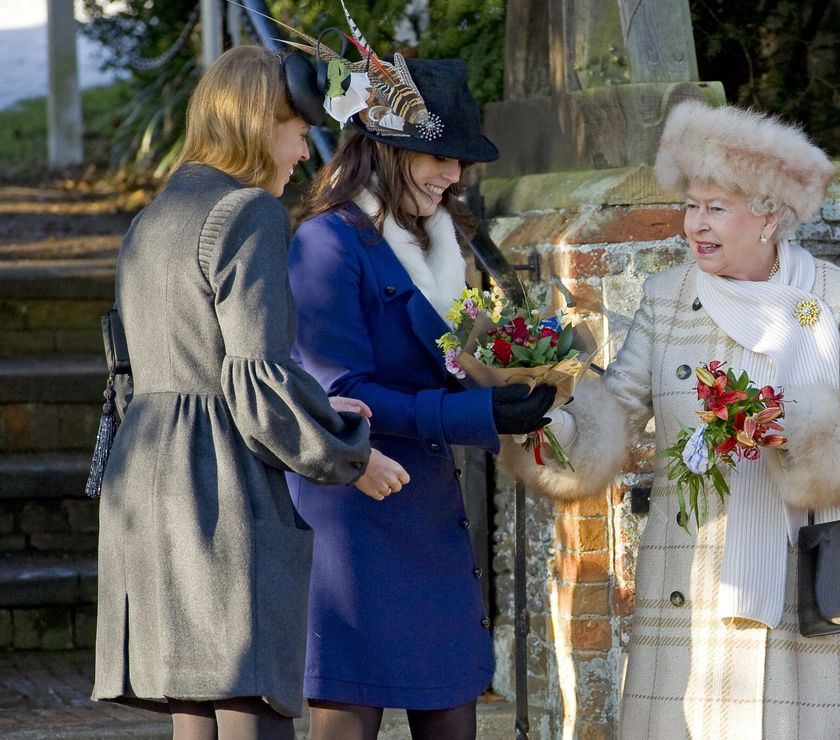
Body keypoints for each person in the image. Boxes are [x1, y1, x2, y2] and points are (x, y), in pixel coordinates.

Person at [505, 98, 840, 739]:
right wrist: (544, 423)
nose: (694, 224)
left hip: (803, 583)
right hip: (692, 581)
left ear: (770, 214)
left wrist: (790, 423)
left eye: (716, 207)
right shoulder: (668, 298)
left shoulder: (835, 298)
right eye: (691, 204)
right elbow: (618, 410)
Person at [91, 45, 409, 739]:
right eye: (298, 132)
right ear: (260, 122)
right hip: (217, 490)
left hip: (145, 482)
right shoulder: (248, 214)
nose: (303, 153)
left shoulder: (153, 218)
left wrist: (323, 409)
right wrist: (351, 457)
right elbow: (253, 377)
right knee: (249, 709)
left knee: (197, 714)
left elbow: (184, 363)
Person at [286, 54, 556, 739]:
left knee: (454, 716)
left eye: (459, 160)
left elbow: (463, 360)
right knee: (348, 723)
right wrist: (478, 414)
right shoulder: (327, 242)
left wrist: (522, 384)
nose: (454, 175)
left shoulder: (444, 243)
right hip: (356, 511)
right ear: (381, 146)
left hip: (432, 512)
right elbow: (339, 391)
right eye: (437, 156)